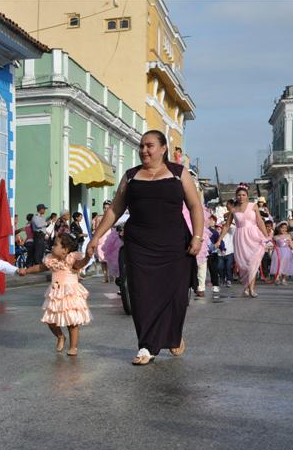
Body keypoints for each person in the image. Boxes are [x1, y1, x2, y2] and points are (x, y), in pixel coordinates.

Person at [87, 130, 203, 366]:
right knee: (142, 295)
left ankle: (172, 334)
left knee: (177, 296)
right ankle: (146, 345)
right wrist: (96, 237)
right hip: (139, 245)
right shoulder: (131, 176)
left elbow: (195, 205)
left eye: (149, 145)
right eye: (141, 146)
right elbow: (114, 210)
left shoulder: (178, 173)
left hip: (175, 245)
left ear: (163, 149)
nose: (144, 150)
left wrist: (198, 236)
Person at [20, 234, 92, 356]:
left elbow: (81, 264)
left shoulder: (71, 259)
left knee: (72, 322)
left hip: (70, 295)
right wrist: (27, 270)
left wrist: (88, 257)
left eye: (55, 245)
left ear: (65, 250)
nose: (52, 247)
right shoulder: (51, 260)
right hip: (55, 294)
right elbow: (40, 267)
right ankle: (60, 336)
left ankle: (73, 347)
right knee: (50, 320)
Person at [216, 184, 267, 297]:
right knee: (243, 264)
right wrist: (219, 239)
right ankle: (246, 286)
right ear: (236, 196)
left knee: (253, 263)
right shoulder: (233, 210)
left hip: (253, 235)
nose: (241, 197)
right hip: (240, 237)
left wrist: (266, 236)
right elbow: (226, 226)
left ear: (247, 196)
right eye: (239, 195)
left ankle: (251, 289)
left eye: (243, 195)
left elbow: (260, 222)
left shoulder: (253, 206)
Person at [93, 200, 112, 282]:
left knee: (110, 259)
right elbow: (96, 229)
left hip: (109, 238)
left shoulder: (113, 216)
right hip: (101, 239)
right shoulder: (99, 217)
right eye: (104, 208)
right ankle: (105, 277)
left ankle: (112, 275)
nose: (105, 209)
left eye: (107, 208)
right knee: (102, 260)